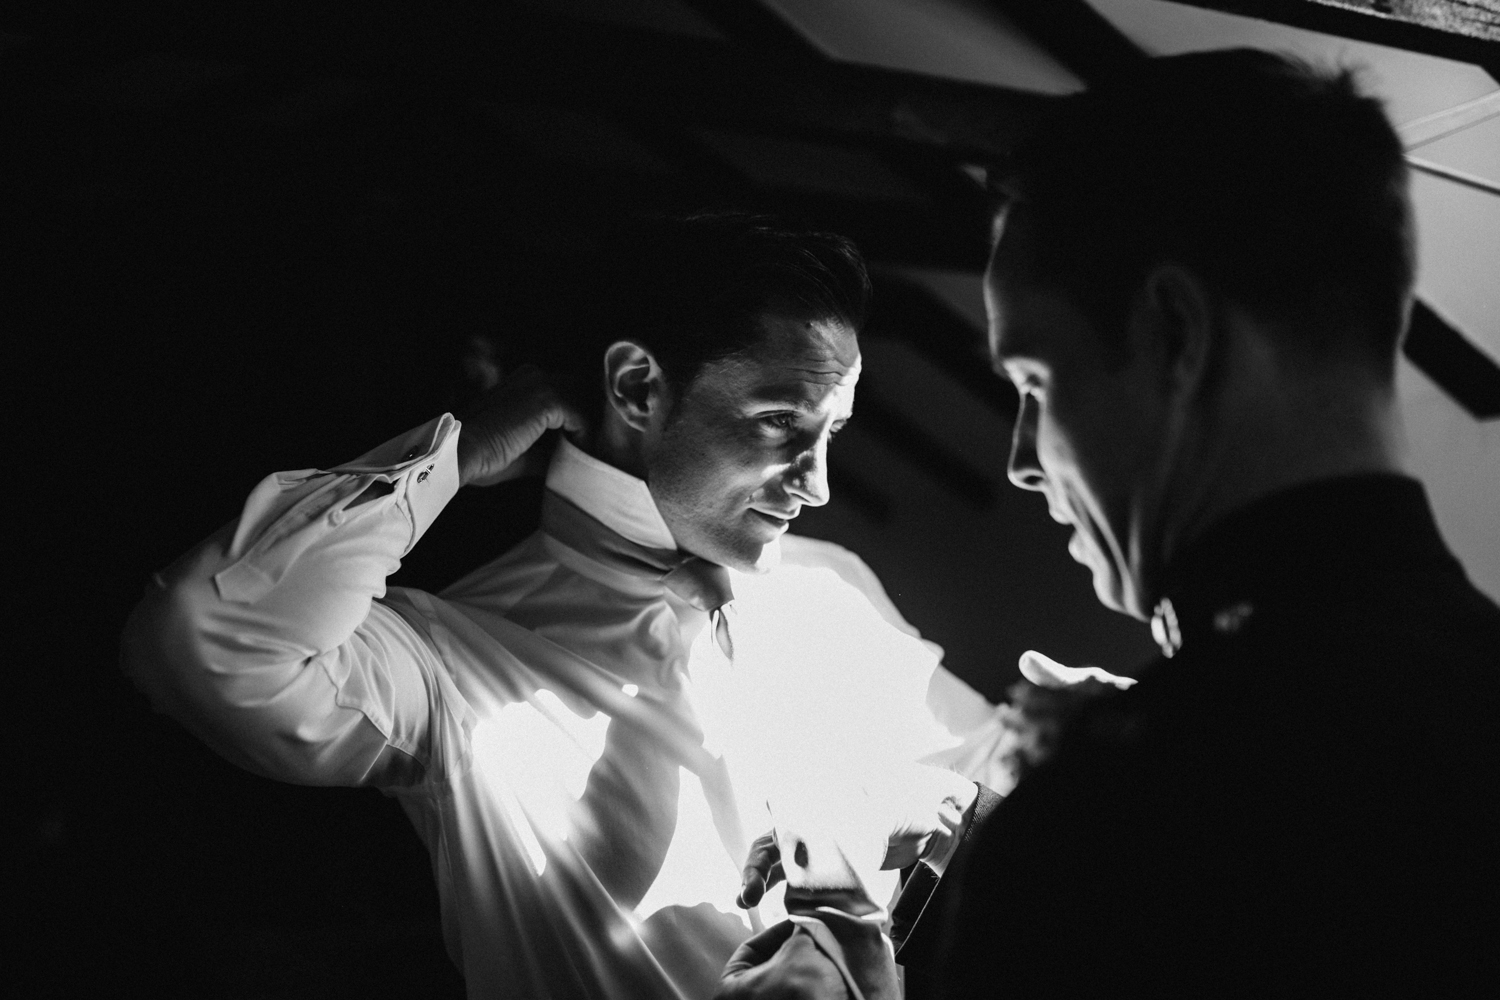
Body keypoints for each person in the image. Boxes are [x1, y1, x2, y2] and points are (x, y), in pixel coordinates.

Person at [723, 50, 1500, 998]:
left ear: (1175, 335)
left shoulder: (1132, 817)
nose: (1019, 457)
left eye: (1037, 384)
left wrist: (845, 956)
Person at [120, 214, 1009, 1000]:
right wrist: (457, 455)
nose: (816, 484)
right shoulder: (450, 668)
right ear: (635, 388)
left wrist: (994, 770)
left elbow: (992, 785)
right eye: (780, 421)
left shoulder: (833, 588)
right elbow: (200, 639)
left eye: (832, 434)